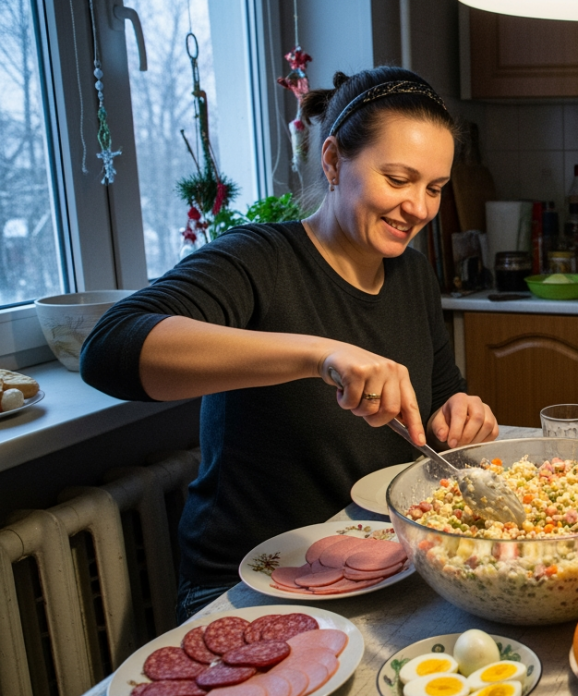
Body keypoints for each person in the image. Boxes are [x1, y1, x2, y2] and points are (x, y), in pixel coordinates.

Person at [81, 67, 498, 620]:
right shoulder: (259, 258)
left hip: (382, 565)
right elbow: (110, 348)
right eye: (398, 180)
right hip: (250, 585)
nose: (419, 208)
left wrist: (460, 413)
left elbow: (442, 399)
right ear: (332, 161)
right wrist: (318, 355)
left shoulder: (412, 274)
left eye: (435, 188)